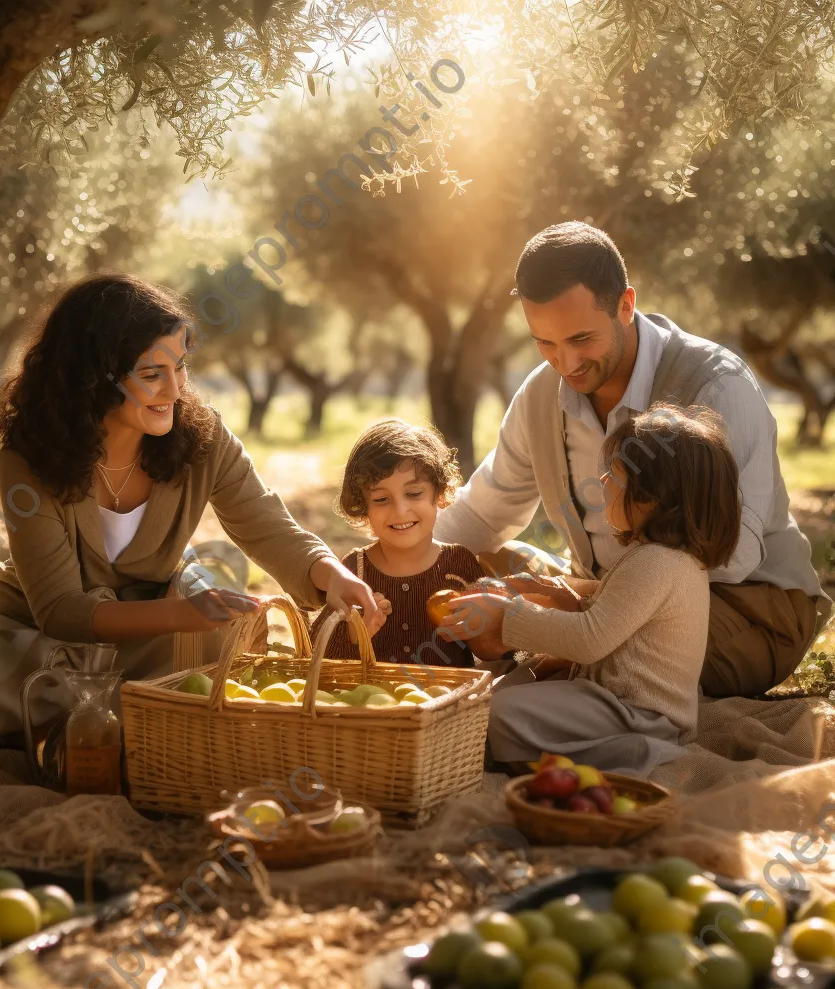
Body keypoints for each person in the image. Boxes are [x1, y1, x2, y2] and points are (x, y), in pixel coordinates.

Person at [0, 275, 383, 753]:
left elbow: (266, 522)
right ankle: (106, 711)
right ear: (95, 377)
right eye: (152, 374)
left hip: (154, 629)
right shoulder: (30, 458)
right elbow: (59, 611)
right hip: (34, 634)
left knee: (225, 648)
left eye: (180, 368)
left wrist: (332, 575)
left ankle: (79, 717)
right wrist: (183, 613)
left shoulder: (204, 440)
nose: (176, 389)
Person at [434, 222, 831, 698]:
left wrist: (572, 601)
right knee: (472, 559)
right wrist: (391, 566)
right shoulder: (540, 395)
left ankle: (546, 672)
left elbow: (733, 556)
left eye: (581, 338)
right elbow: (480, 514)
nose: (566, 363)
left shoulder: (715, 386)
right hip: (603, 594)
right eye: (545, 342)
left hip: (743, 606)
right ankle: (545, 660)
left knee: (599, 653)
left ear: (626, 304)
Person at [442, 404, 743, 774]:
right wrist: (550, 590)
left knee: (499, 710)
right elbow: (609, 604)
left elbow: (589, 639)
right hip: (613, 701)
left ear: (649, 498)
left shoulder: (658, 563)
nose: (601, 485)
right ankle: (539, 750)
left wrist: (507, 616)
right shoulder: (661, 558)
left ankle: (632, 752)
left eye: (613, 477)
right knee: (509, 689)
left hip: (639, 715)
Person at [310, 419, 486, 668]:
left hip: (451, 704)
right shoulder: (354, 571)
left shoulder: (459, 564)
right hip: (370, 703)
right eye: (381, 499)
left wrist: (479, 629)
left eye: (414, 494)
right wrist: (355, 633)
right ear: (363, 507)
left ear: (440, 494)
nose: (400, 510)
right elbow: (315, 654)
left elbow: (498, 651)